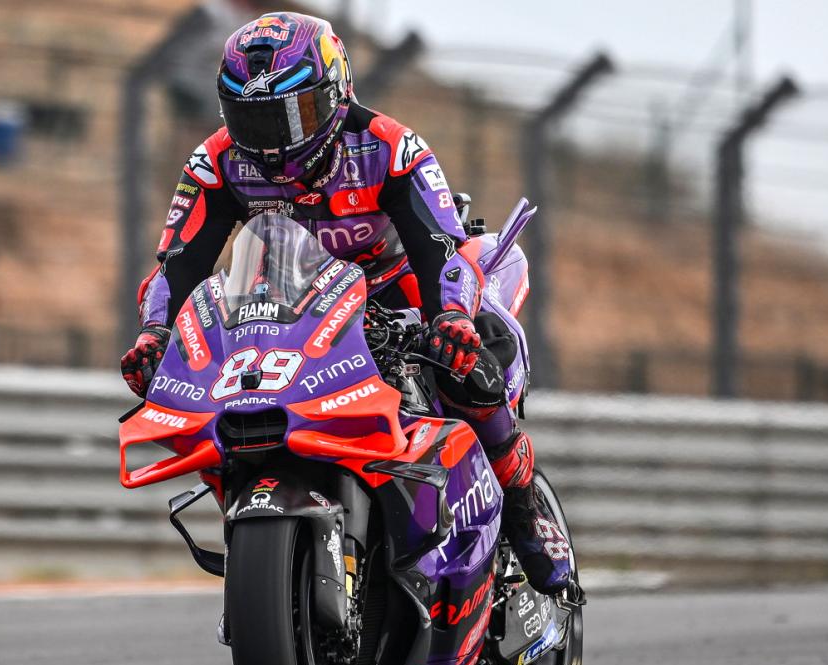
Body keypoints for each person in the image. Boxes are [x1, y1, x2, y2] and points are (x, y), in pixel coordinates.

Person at [120, 12, 573, 596]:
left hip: (398, 288)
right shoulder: (215, 162)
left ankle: (521, 501)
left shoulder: (391, 145)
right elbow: (176, 266)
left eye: (291, 113)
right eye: (251, 117)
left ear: (336, 93)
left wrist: (452, 319)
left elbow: (441, 248)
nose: (272, 139)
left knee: (472, 362)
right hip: (290, 301)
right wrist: (156, 333)